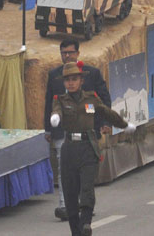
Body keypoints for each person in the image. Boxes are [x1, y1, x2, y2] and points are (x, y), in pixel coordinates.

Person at [50, 62, 135, 236]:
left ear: (81, 80)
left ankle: (86, 223)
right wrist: (55, 118)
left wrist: (124, 125)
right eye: (67, 80)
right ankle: (76, 231)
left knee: (87, 187)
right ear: (64, 83)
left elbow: (106, 112)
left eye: (74, 79)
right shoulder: (60, 100)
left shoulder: (91, 98)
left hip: (88, 147)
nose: (71, 83)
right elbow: (56, 111)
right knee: (70, 192)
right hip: (69, 150)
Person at [43, 37, 111, 221]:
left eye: (71, 52)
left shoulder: (91, 73)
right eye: (64, 53)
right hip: (62, 133)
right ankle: (65, 205)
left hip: (87, 132)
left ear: (78, 53)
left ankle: (85, 204)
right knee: (64, 168)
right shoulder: (55, 75)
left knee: (84, 171)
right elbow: (49, 102)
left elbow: (104, 99)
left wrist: (106, 122)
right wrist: (48, 129)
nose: (67, 56)